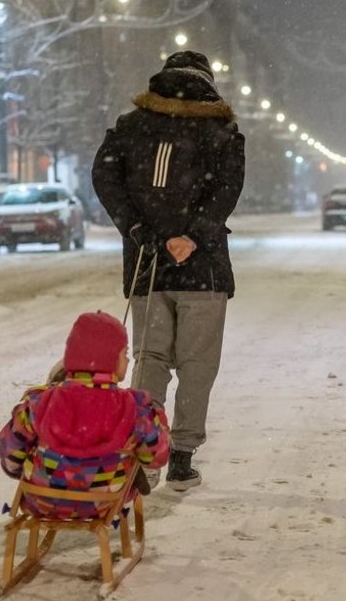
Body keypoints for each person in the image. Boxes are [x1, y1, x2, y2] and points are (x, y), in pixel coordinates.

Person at [92, 50, 245, 491]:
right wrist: (193, 236)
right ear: (208, 82)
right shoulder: (222, 132)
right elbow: (227, 189)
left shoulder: (130, 126)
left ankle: (142, 455)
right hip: (203, 269)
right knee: (198, 362)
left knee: (150, 358)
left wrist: (139, 228)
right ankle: (180, 457)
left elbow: (104, 176)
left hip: (149, 264)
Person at [0, 312, 170, 520]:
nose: (126, 359)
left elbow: (10, 452)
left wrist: (20, 471)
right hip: (105, 504)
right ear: (111, 359)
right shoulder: (133, 408)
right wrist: (159, 423)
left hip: (43, 501)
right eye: (124, 354)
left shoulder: (41, 403)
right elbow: (156, 457)